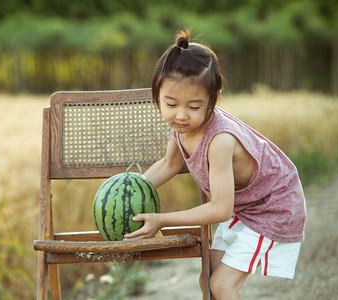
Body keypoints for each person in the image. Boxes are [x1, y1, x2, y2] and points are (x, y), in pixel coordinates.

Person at [123, 29, 307, 299]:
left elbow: (221, 209)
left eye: (194, 106)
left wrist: (162, 220)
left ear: (214, 99)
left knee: (222, 285)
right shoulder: (180, 127)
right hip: (248, 206)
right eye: (171, 103)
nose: (181, 115)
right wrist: (128, 188)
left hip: (273, 206)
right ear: (156, 97)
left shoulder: (219, 140)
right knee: (208, 279)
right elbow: (168, 164)